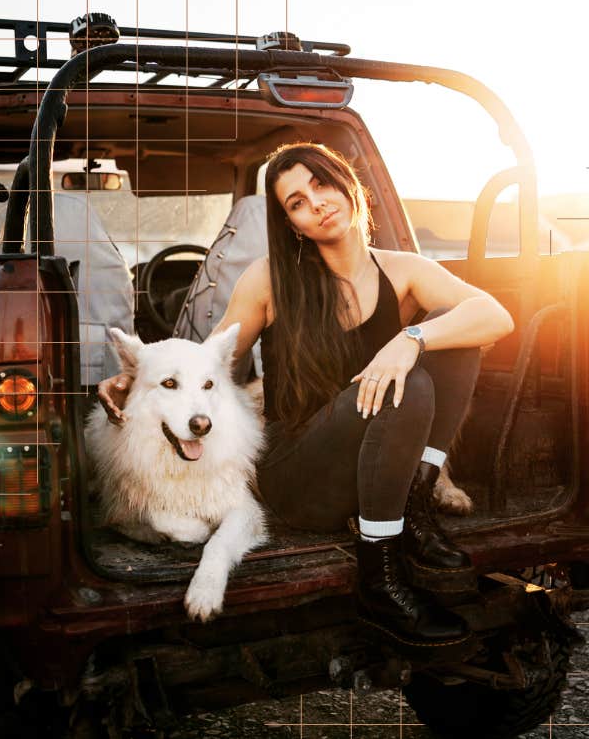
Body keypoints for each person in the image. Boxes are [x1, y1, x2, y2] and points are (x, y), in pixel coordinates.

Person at [97, 142, 514, 653]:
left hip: (380, 468)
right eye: (295, 202)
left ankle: (416, 501)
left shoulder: (403, 270)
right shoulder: (269, 278)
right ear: (292, 224)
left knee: (451, 335)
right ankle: (380, 583)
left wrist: (410, 339)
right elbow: (208, 359)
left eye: (321, 184)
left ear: (348, 186)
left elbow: (496, 315)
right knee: (410, 387)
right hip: (299, 475)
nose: (314, 202)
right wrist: (137, 376)